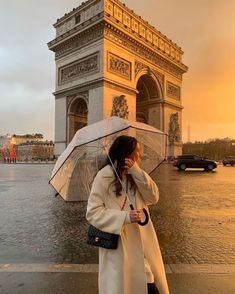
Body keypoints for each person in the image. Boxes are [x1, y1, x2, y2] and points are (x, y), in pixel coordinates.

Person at [86, 135, 169, 294]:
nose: (139, 155)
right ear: (126, 153)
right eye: (136, 151)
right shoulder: (104, 176)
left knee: (149, 285)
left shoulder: (136, 173)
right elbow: (92, 213)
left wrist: (136, 171)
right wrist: (125, 217)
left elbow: (154, 197)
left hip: (142, 243)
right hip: (120, 246)